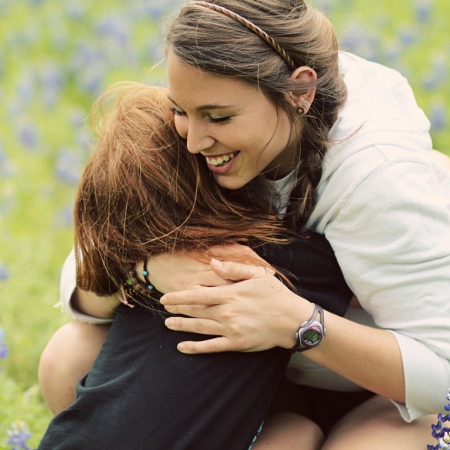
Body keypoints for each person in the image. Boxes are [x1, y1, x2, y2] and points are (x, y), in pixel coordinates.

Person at [39, 0, 450, 448]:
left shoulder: (376, 175)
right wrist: (147, 270)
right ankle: (285, 428)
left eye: (218, 117)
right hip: (264, 378)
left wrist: (295, 321)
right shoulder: (203, 123)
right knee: (68, 357)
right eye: (179, 109)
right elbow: (82, 272)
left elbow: (443, 374)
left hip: (381, 391)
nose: (195, 141)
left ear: (300, 93)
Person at [38, 82, 353, 450]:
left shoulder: (154, 262)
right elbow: (301, 430)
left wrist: (143, 268)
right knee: (298, 431)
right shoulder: (277, 260)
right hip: (334, 388)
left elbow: (92, 264)